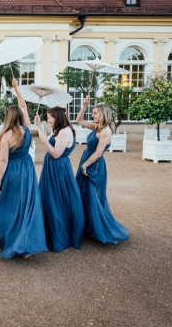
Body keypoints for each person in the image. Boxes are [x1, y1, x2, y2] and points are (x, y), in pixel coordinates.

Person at [0, 79, 47, 259]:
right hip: (27, 169)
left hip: (13, 172)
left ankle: (13, 239)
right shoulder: (27, 128)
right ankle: (27, 241)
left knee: (10, 205)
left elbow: (3, 161)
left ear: (7, 117)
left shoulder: (5, 137)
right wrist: (17, 89)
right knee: (27, 204)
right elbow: (23, 106)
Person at [75, 96, 129, 245]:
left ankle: (98, 229)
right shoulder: (96, 127)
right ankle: (86, 226)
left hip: (94, 164)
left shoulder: (105, 131)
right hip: (86, 159)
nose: (93, 116)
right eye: (92, 113)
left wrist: (84, 166)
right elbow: (78, 121)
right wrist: (84, 106)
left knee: (92, 196)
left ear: (103, 114)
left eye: (95, 113)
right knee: (82, 193)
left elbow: (98, 153)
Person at [35, 107, 84, 252]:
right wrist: (38, 126)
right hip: (52, 168)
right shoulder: (58, 130)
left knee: (57, 200)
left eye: (49, 117)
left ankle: (59, 234)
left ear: (57, 117)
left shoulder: (64, 132)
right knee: (50, 197)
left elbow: (56, 153)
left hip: (58, 169)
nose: (48, 120)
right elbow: (50, 143)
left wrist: (44, 139)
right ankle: (48, 230)